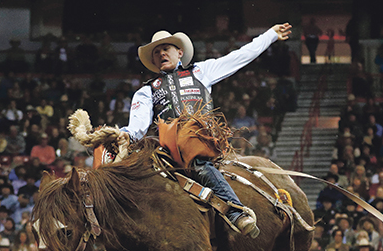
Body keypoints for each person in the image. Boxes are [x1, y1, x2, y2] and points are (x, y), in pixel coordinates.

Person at [119, 23, 292, 236]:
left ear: (179, 52)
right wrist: (123, 135)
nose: (162, 53)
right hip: (168, 150)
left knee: (197, 158)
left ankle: (235, 210)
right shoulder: (146, 91)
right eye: (156, 52)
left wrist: (270, 35)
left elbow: (241, 56)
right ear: (154, 61)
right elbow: (137, 126)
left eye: (166, 49)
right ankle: (120, 232)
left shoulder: (201, 71)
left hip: (201, 142)